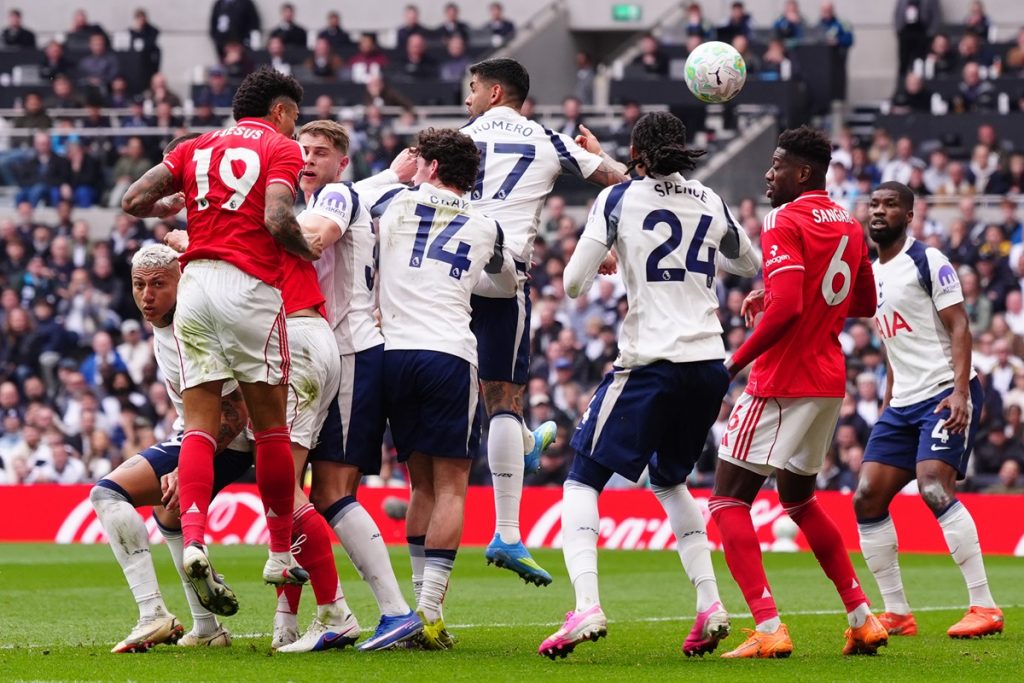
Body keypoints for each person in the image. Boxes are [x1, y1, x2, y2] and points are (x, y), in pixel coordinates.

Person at [538, 112, 760, 660]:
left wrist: (610, 253)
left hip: (651, 362)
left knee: (583, 476)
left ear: (635, 151)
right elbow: (748, 260)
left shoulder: (617, 202)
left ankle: (586, 604)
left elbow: (571, 283)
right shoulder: (709, 198)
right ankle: (710, 604)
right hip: (709, 363)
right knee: (670, 479)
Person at [121, 67, 319, 613]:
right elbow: (279, 217)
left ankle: (195, 539)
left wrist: (176, 206)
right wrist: (304, 250)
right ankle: (280, 552)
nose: (294, 124)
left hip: (197, 286)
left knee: (199, 427)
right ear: (280, 111)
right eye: (294, 115)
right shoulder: (280, 148)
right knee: (272, 427)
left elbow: (135, 199)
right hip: (248, 286)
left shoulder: (195, 147)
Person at [710, 126, 887, 658]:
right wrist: (785, 290)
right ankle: (862, 617)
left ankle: (767, 627)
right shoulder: (850, 226)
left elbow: (788, 311)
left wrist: (734, 362)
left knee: (725, 500)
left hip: (782, 379)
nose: (769, 174)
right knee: (800, 499)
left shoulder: (783, 219)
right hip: (828, 378)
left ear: (803, 172)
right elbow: (862, 303)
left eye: (777, 165)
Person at [461, 58, 628, 587]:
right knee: (503, 397)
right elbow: (625, 185)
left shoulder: (457, 140)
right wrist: (602, 167)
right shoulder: (549, 140)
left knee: (479, 391)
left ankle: (523, 445)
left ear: (492, 93)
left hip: (448, 272)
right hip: (505, 274)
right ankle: (508, 530)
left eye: (471, 89)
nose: (467, 98)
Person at [368, 128, 516, 649]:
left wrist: (394, 171)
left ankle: (412, 612)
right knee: (452, 486)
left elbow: (355, 205)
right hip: (449, 354)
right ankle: (429, 614)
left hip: (392, 354)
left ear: (428, 165)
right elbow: (508, 281)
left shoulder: (391, 203)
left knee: (421, 486)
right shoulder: (485, 224)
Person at [281, 120, 422, 651]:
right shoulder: (324, 199)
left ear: (342, 162)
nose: (310, 159)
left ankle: (392, 612)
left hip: (350, 351)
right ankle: (337, 614)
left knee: (331, 492)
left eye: (321, 152)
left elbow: (318, 240)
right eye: (304, 152)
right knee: (320, 493)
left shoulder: (335, 195)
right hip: (335, 355)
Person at [853, 181, 1002, 640]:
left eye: (890, 205)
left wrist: (960, 392)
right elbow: (896, 342)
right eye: (875, 204)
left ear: (910, 214)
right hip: (901, 404)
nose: (879, 212)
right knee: (866, 498)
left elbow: (959, 327)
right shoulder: (871, 273)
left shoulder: (928, 260)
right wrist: (886, 403)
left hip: (942, 393)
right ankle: (897, 612)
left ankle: (985, 606)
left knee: (934, 487)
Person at [90, 242, 251, 653]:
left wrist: (190, 466)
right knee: (168, 511)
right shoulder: (166, 324)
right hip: (198, 435)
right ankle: (207, 628)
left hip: (227, 440)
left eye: (159, 285)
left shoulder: (192, 327)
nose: (147, 295)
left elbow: (236, 413)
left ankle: (152, 613)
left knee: (108, 492)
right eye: (139, 285)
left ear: (181, 282)